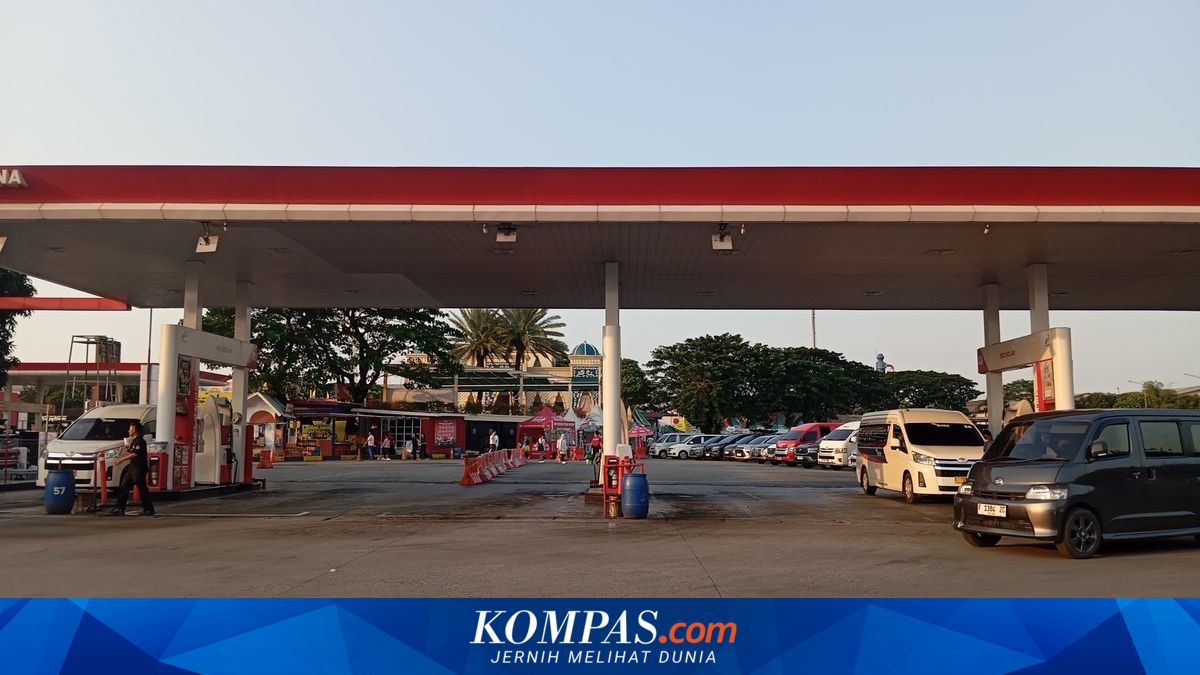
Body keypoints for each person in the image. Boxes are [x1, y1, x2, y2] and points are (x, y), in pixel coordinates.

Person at [109, 421, 155, 516]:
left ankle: (149, 509)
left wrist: (121, 459)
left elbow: (135, 454)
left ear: (134, 429)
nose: (129, 430)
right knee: (124, 487)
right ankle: (120, 508)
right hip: (133, 468)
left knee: (142, 489)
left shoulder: (140, 441)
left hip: (138, 469)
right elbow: (133, 450)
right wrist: (128, 448)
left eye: (130, 428)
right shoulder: (135, 441)